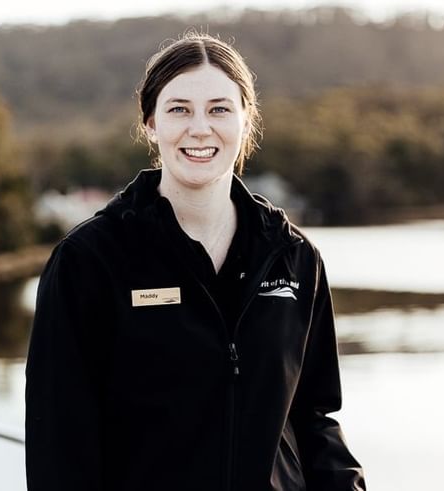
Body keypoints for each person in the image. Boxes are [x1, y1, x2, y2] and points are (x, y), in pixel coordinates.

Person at [25, 31, 366, 491]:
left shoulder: (293, 258)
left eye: (219, 109)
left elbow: (314, 418)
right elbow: (59, 444)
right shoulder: (90, 261)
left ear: (247, 120)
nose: (200, 128)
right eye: (179, 109)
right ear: (150, 123)